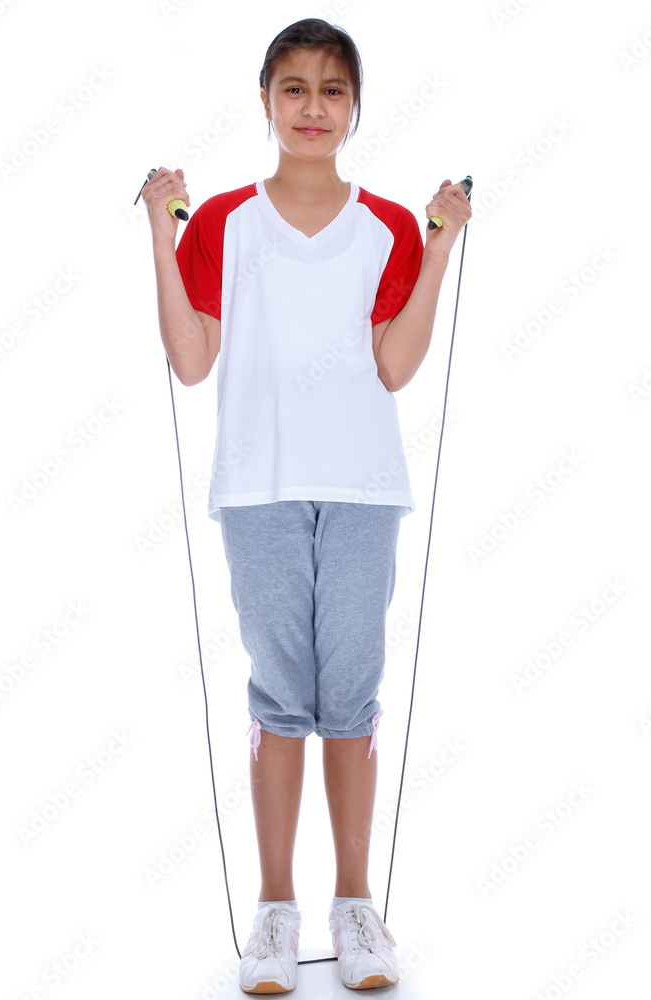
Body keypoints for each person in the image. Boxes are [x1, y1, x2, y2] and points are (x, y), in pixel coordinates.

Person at [141, 17, 471, 994]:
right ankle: (275, 913)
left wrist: (441, 246)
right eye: (295, 88)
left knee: (351, 696)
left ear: (354, 106)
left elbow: (395, 365)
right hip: (260, 488)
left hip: (362, 487)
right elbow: (191, 361)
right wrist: (160, 234)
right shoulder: (224, 223)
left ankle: (357, 908)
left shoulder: (388, 228)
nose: (313, 107)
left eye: (332, 89)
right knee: (281, 697)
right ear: (266, 100)